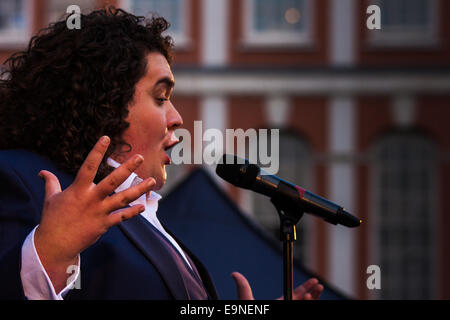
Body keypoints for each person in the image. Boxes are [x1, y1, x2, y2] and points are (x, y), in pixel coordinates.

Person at [0, 7, 323, 300]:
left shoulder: (149, 217)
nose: (176, 118)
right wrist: (46, 256)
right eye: (161, 96)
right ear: (105, 102)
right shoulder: (22, 178)